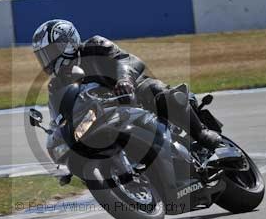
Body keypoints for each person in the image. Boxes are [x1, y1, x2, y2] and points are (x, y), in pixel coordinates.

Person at [32, 19, 222, 150]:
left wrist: (124, 80)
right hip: (100, 116)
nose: (47, 61)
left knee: (156, 90)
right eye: (43, 57)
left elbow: (128, 60)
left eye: (50, 52)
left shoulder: (95, 46)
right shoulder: (56, 85)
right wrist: (56, 132)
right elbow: (59, 114)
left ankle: (201, 133)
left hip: (132, 93)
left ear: (68, 43)